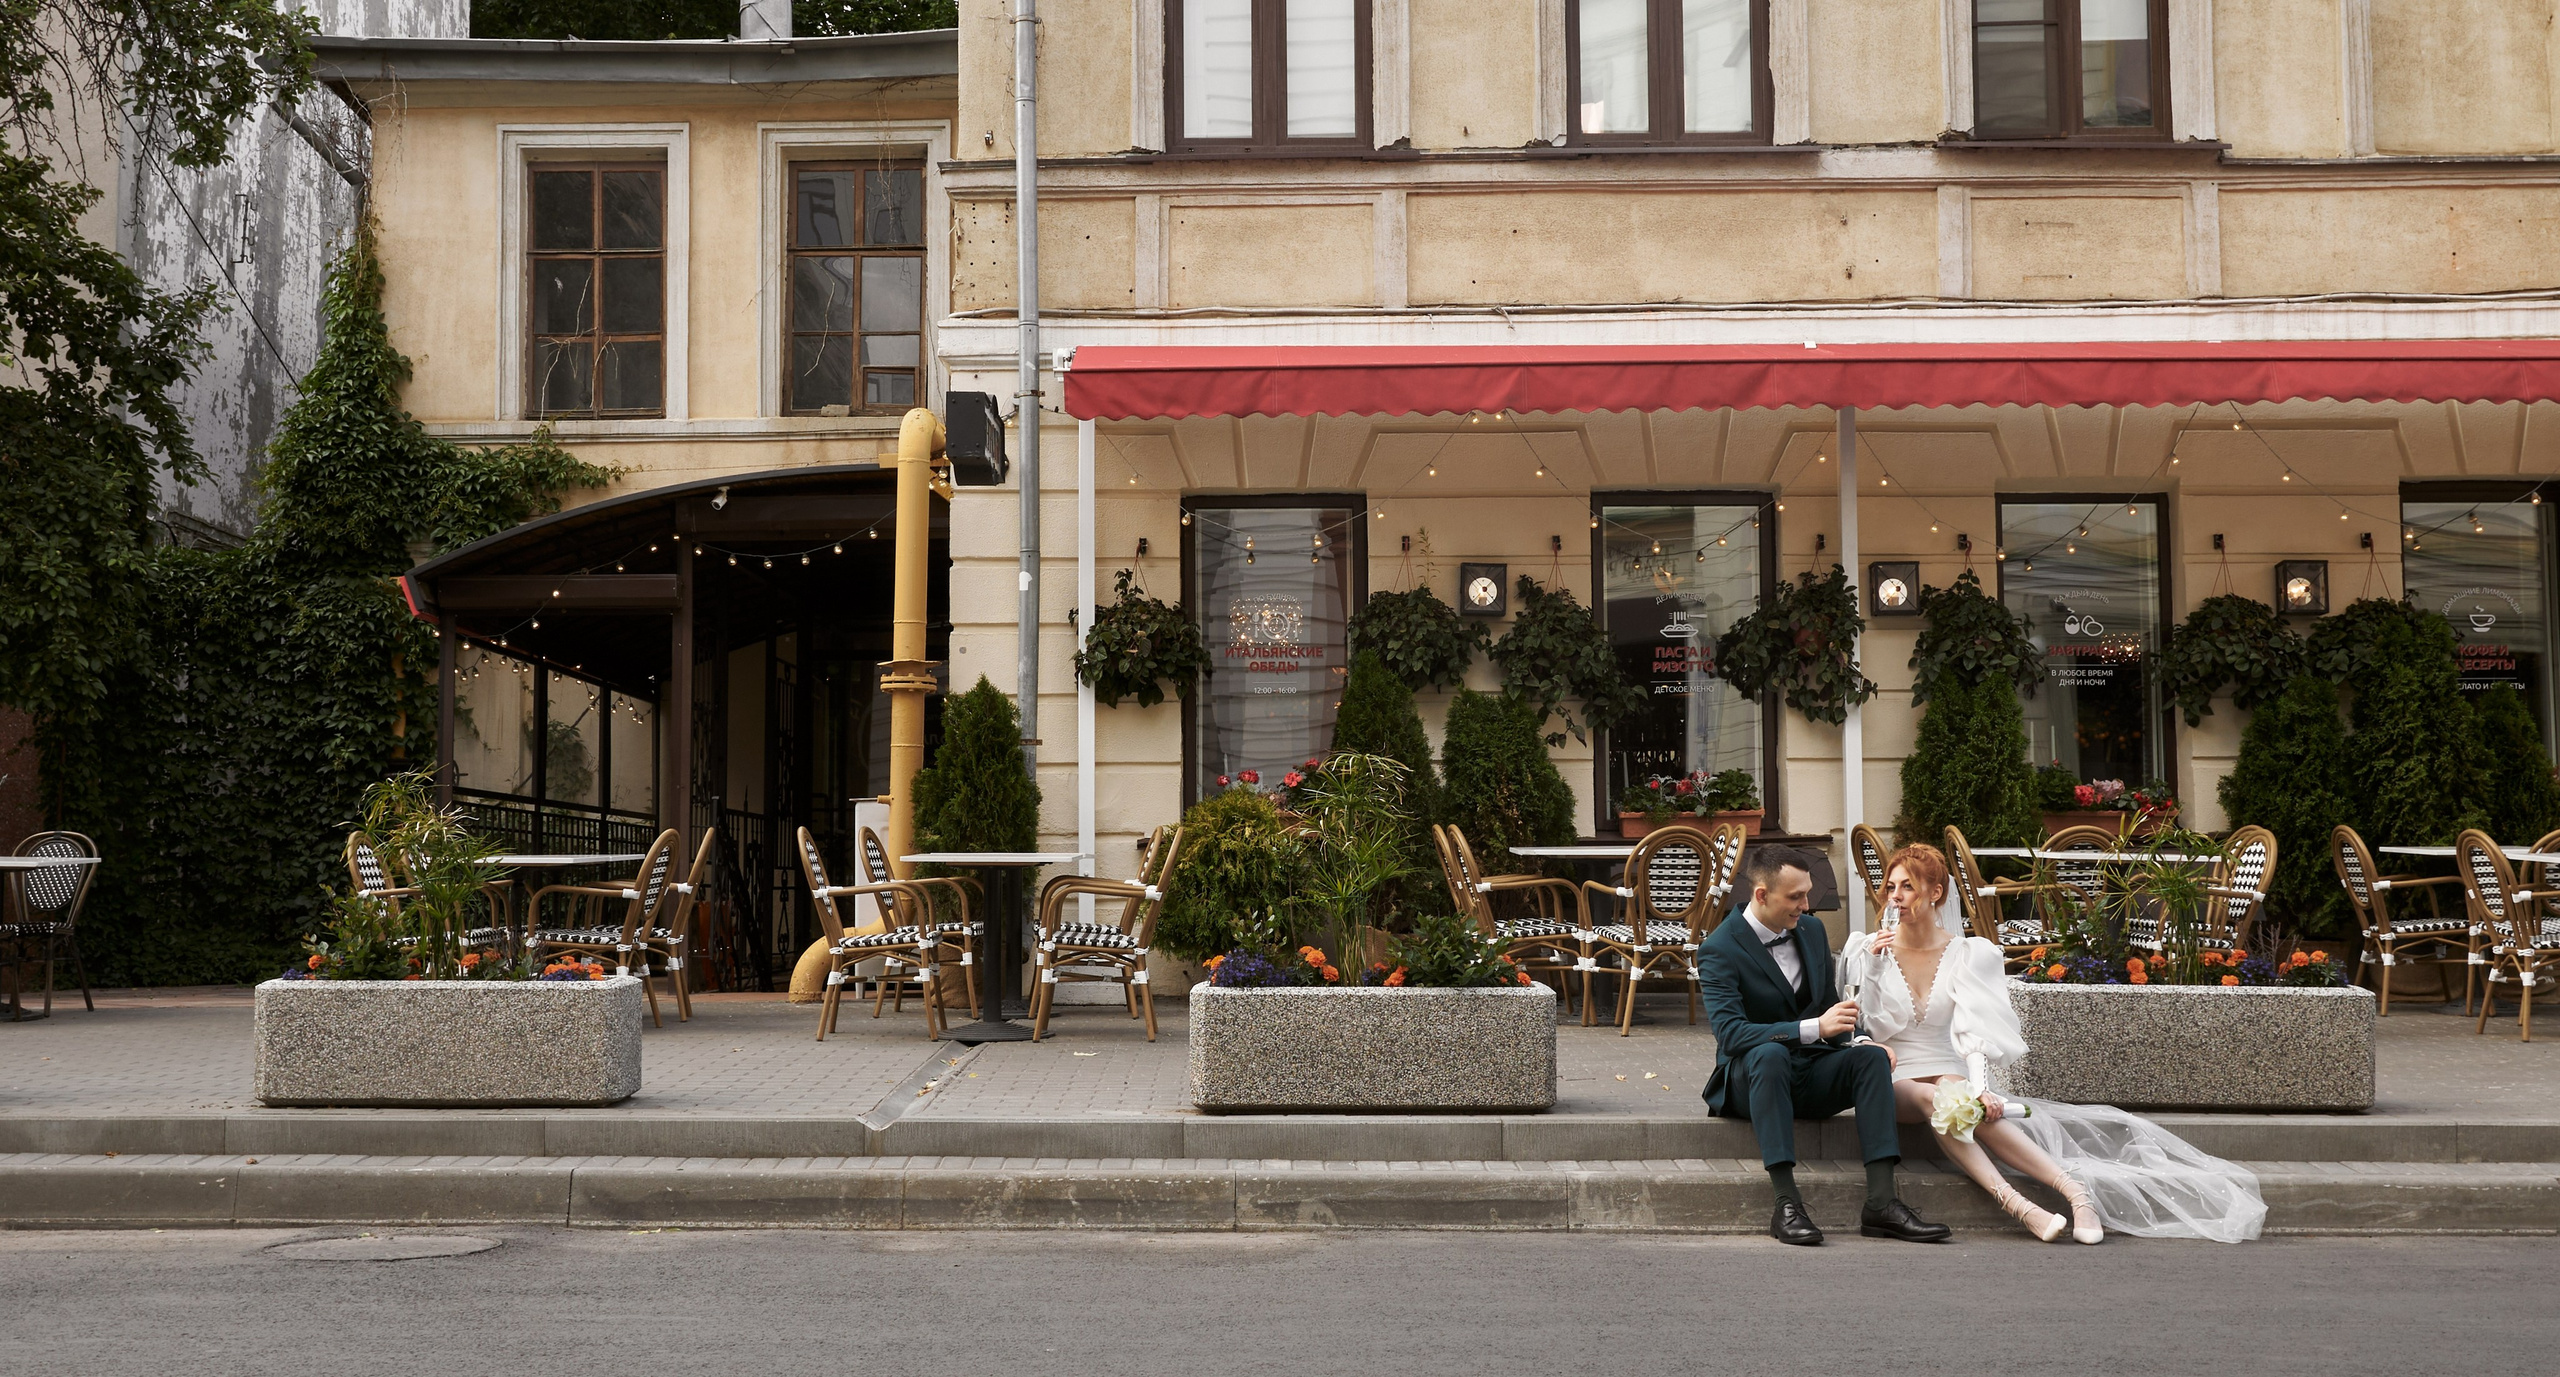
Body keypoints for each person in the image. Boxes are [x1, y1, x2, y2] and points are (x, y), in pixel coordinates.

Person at [1843, 842, 2266, 1245]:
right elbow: (1877, 1028)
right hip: (1894, 1076)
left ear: (1935, 893)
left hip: (1944, 1063)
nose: (1896, 897)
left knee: (1966, 1103)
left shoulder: (1968, 952)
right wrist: (1877, 968)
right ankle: (2020, 1205)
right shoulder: (1870, 949)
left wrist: (1980, 1085)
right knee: (1935, 1098)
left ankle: (2077, 1194)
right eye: (1891, 887)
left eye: (1907, 886)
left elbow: (1975, 1031)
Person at [1698, 844, 1951, 1247]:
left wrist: (1859, 1039)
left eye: (1808, 893)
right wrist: (1813, 1027)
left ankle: (1882, 1203)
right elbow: (1731, 1034)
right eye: (1795, 897)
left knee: (1869, 1059)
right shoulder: (1719, 949)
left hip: (1810, 1073)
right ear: (1761, 895)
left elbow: (1826, 1008)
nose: (1805, 905)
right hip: (1753, 1082)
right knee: (1769, 1052)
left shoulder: (1811, 931)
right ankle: (1786, 1203)